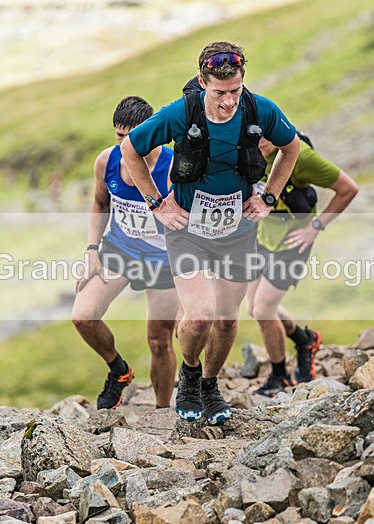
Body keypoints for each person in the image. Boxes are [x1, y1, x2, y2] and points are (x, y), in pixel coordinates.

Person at [121, 41, 300, 425]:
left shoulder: (259, 109)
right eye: (219, 93)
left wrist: (269, 197)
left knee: (226, 319)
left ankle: (210, 384)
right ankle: (188, 375)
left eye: (235, 91)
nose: (229, 102)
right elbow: (130, 152)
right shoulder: (179, 113)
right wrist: (156, 203)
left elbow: (292, 147)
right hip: (188, 229)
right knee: (200, 316)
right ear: (203, 82)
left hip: (237, 230)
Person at [72, 96, 180, 410]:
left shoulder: (172, 166)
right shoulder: (107, 161)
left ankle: (162, 412)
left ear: (150, 133)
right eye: (119, 136)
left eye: (132, 137)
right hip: (120, 248)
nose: (125, 144)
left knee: (159, 341)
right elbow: (100, 203)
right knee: (83, 316)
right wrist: (92, 249)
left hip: (163, 259)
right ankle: (119, 371)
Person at [248, 137, 359, 397]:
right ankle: (304, 340)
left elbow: (348, 189)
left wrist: (315, 228)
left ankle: (279, 377)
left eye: (264, 134)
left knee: (264, 309)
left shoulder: (301, 156)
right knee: (255, 309)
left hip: (293, 242)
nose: (257, 140)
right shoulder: (248, 149)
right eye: (253, 133)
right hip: (262, 237)